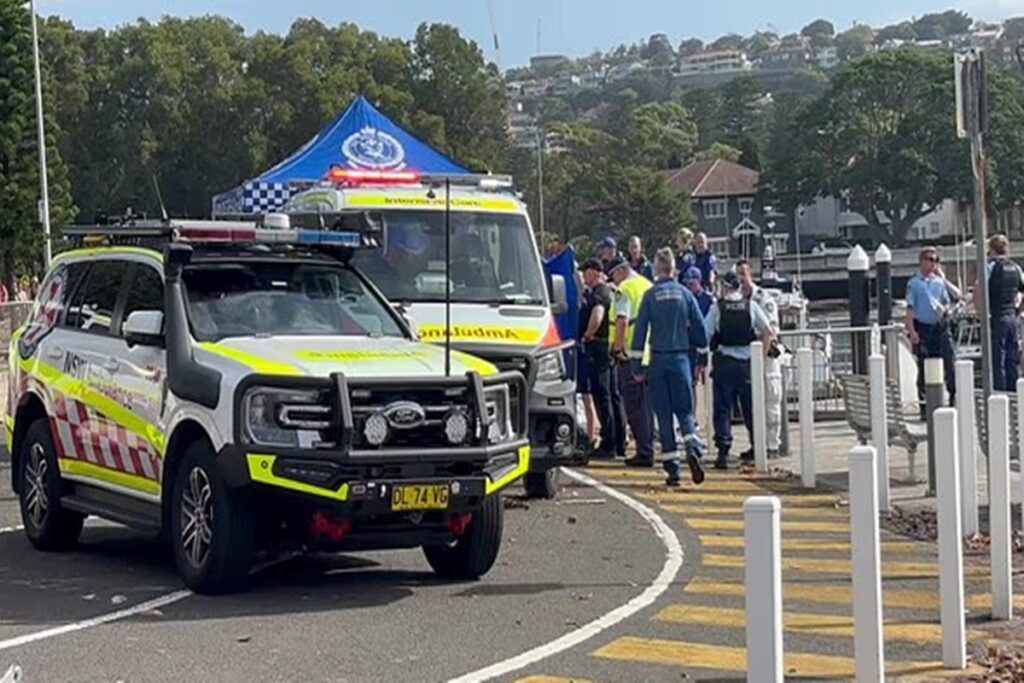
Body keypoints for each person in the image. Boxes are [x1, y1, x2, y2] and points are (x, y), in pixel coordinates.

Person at [630, 248, 708, 486]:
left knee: (663, 415)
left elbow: (640, 332)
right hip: (681, 359)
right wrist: (702, 357)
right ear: (673, 269)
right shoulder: (685, 294)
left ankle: (673, 469)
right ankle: (693, 447)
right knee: (685, 411)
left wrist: (637, 367)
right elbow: (700, 328)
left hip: (659, 360)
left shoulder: (651, 296)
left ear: (656, 269)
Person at [705, 271, 774, 469]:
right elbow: (768, 331)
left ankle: (723, 452)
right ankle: (756, 447)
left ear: (725, 287)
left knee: (723, 409)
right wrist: (760, 358)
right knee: (750, 409)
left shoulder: (717, 308)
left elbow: (706, 331)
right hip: (747, 364)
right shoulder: (750, 306)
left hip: (724, 362)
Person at [608, 256, 655, 467]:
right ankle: (647, 447)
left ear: (620, 271)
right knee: (646, 405)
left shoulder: (625, 288)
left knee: (634, 406)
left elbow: (622, 320)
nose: (613, 281)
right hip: (650, 353)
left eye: (613, 276)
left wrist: (617, 348)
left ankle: (644, 452)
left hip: (630, 355)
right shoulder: (648, 285)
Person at [736, 259, 783, 457]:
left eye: (743, 275)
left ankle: (772, 445)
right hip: (746, 356)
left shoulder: (764, 299)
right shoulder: (736, 301)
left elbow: (770, 331)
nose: (740, 280)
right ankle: (757, 445)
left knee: (771, 401)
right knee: (751, 404)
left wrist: (760, 359)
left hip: (766, 357)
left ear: (751, 276)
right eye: (737, 276)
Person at [581, 258, 626, 458]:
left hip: (598, 348)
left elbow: (597, 316)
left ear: (596, 272)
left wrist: (587, 335)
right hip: (607, 348)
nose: (583, 275)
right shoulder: (609, 292)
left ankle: (608, 443)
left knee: (602, 396)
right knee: (613, 396)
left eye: (586, 271)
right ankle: (618, 441)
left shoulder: (600, 293)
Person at [906, 246, 959, 412]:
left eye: (936, 260)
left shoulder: (939, 282)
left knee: (949, 361)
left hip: (940, 325)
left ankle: (952, 397)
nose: (933, 264)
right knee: (924, 365)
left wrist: (947, 310)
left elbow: (950, 299)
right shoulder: (914, 283)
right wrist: (912, 331)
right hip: (923, 326)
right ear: (921, 261)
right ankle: (924, 405)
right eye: (930, 260)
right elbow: (909, 309)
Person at [974, 234, 1024, 391]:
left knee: (997, 359)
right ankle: (1015, 393)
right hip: (1012, 318)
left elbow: (977, 292)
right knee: (1012, 359)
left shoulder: (990, 267)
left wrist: (980, 314)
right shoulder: (1016, 268)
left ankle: (1000, 395)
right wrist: (1018, 310)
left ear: (992, 250)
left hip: (996, 317)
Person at [683, 266, 714, 384]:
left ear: (699, 281)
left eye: (692, 284)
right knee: (690, 381)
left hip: (704, 344)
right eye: (687, 284)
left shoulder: (708, 299)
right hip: (689, 344)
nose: (689, 287)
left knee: (707, 381)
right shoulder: (685, 298)